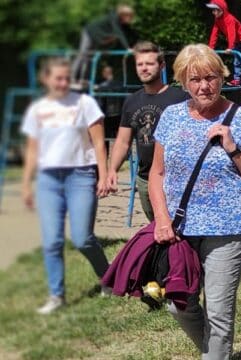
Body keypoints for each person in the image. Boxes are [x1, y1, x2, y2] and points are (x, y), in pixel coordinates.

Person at [149, 44, 241, 358]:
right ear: (183, 82)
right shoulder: (172, 116)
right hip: (180, 230)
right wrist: (162, 220)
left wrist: (233, 149)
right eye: (195, 79)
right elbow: (157, 173)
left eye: (211, 77)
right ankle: (214, 353)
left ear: (222, 77)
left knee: (218, 312)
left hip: (226, 230)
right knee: (179, 304)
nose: (204, 86)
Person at [21, 58, 111, 314]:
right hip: (48, 180)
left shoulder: (85, 104)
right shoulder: (37, 109)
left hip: (80, 176)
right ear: (45, 79)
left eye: (65, 78)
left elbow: (99, 143)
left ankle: (108, 278)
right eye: (57, 78)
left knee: (82, 238)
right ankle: (56, 295)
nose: (62, 83)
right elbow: (32, 149)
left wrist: (103, 175)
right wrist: (26, 184)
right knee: (51, 241)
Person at [107, 41, 189, 221]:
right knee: (158, 231)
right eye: (140, 64)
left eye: (149, 63)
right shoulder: (131, 101)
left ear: (161, 66)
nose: (144, 68)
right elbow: (122, 141)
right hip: (145, 180)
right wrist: (112, 169)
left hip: (176, 178)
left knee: (181, 232)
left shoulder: (181, 98)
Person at [71, 4, 137, 87]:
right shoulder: (114, 18)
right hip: (90, 32)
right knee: (82, 55)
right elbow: (119, 33)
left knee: (89, 57)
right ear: (123, 15)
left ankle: (83, 80)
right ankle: (71, 78)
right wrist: (127, 48)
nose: (130, 19)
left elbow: (130, 33)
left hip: (99, 36)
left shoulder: (122, 22)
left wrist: (136, 47)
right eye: (129, 16)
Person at [206, 0, 241, 86]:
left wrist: (230, 47)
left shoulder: (229, 19)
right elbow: (214, 33)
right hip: (235, 41)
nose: (213, 12)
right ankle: (237, 79)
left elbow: (232, 33)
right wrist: (210, 47)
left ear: (221, 10)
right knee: (236, 61)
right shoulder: (217, 20)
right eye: (212, 10)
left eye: (215, 10)